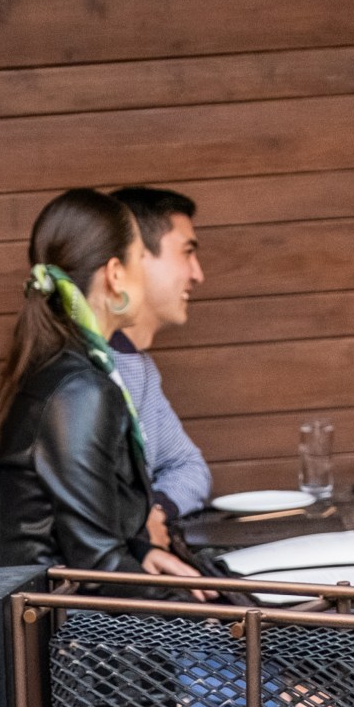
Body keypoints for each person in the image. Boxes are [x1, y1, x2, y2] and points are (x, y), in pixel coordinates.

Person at [0, 188, 199, 578]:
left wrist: (142, 552)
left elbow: (89, 540)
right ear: (115, 275)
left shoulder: (77, 376)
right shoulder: (79, 391)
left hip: (71, 615)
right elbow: (99, 571)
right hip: (67, 629)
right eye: (140, 257)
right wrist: (191, 611)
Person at [106, 184, 213, 526]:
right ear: (135, 258)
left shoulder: (139, 367)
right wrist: (143, 526)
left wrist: (155, 513)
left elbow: (190, 467)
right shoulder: (82, 372)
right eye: (186, 253)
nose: (198, 274)